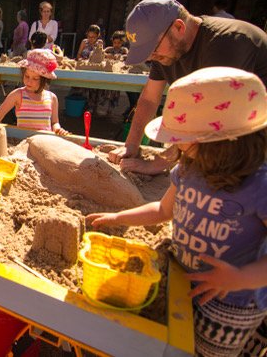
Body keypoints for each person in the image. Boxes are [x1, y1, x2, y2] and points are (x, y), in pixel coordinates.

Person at [87, 67, 267, 357]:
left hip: (230, 301)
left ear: (219, 141)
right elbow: (162, 209)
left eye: (182, 136)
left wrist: (240, 277)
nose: (173, 143)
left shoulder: (259, 183)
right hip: (183, 277)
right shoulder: (189, 167)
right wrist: (119, 218)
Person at [109, 0, 267, 175]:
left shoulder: (226, 42)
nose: (150, 58)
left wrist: (159, 163)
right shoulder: (167, 50)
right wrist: (131, 145)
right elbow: (149, 99)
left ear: (178, 27)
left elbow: (209, 117)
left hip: (252, 145)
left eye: (153, 49)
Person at [0, 49, 69, 135]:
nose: (29, 81)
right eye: (26, 76)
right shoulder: (18, 95)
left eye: (35, 79)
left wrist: (58, 130)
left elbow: (54, 122)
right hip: (24, 142)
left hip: (45, 141)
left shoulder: (52, 98)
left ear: (44, 80)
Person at [76, 24, 120, 116]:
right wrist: (80, 59)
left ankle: (95, 106)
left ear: (97, 36)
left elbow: (100, 55)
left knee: (97, 86)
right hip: (85, 67)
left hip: (95, 67)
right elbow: (79, 54)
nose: (91, 39)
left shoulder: (99, 42)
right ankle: (87, 105)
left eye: (93, 37)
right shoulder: (84, 42)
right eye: (89, 36)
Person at [105, 30, 136, 118]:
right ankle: (103, 109)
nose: (116, 45)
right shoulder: (109, 49)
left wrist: (118, 57)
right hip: (109, 75)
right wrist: (107, 55)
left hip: (119, 75)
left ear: (122, 43)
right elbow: (101, 52)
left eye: (119, 43)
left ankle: (110, 111)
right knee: (107, 92)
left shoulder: (124, 50)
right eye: (115, 42)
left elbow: (127, 56)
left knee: (115, 93)